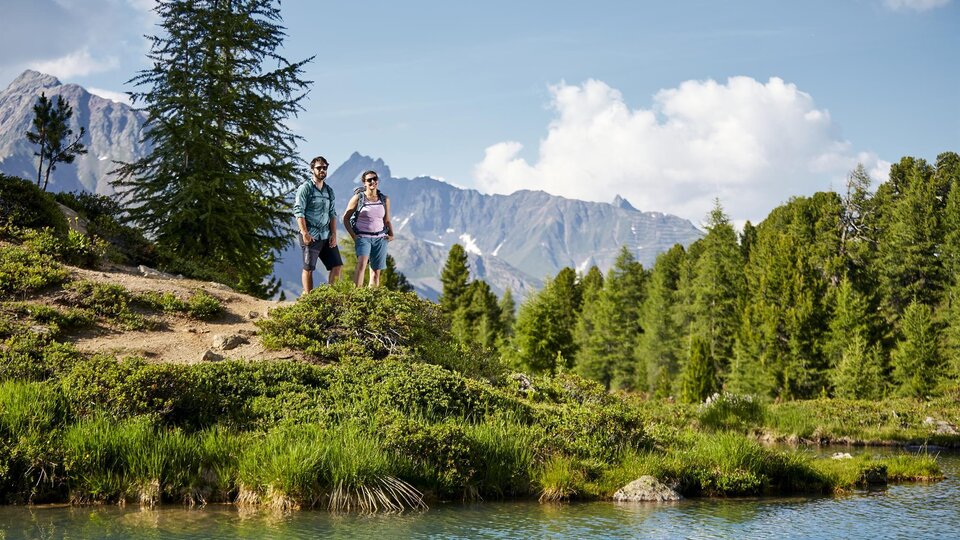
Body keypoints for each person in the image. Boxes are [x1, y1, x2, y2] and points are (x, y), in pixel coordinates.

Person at [293, 156, 343, 295]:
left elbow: (332, 213)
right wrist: (305, 233)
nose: (322, 170)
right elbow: (299, 211)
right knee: (309, 268)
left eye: (324, 167)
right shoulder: (305, 188)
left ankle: (330, 297)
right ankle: (309, 298)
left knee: (337, 266)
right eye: (319, 167)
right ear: (312, 169)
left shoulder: (329, 191)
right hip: (311, 235)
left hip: (326, 235)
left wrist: (333, 234)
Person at [343, 170, 394, 287]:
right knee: (361, 265)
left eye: (375, 179)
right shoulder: (358, 198)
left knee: (375, 272)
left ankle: (372, 299)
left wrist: (391, 235)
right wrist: (354, 237)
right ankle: (356, 297)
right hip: (363, 237)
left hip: (380, 238)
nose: (372, 182)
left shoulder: (385, 200)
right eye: (369, 180)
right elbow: (345, 219)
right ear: (364, 183)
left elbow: (387, 220)